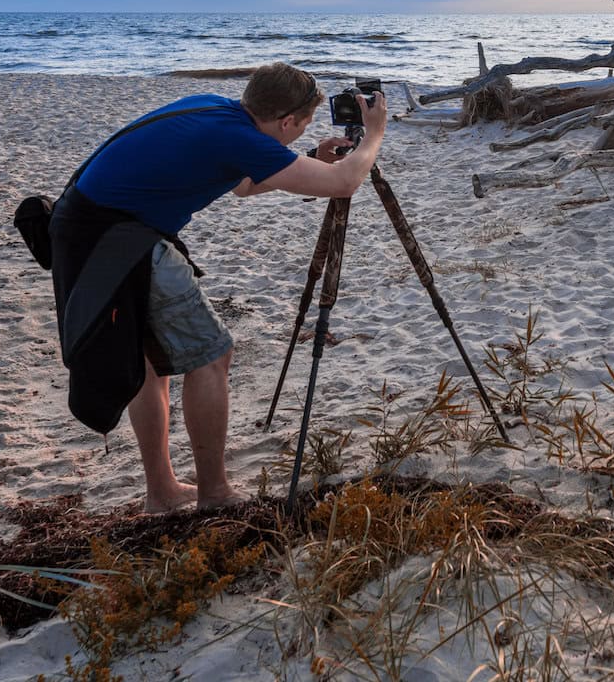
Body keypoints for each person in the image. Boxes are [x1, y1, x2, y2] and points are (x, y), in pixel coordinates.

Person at [49, 62, 387, 513]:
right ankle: (214, 494)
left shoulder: (214, 109)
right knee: (212, 355)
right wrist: (373, 135)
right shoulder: (239, 137)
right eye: (300, 126)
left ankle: (162, 493)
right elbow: (346, 183)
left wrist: (311, 158)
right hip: (121, 241)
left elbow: (245, 185)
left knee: (151, 365)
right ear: (286, 121)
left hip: (85, 233)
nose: (297, 133)